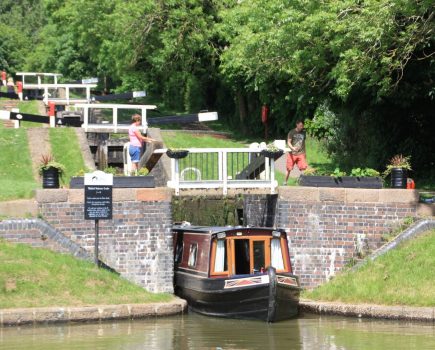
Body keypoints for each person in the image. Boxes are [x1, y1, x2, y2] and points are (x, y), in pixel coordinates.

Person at [284, 120, 308, 185]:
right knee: (289, 168)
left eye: (302, 126)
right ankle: (285, 182)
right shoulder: (292, 132)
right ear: (296, 125)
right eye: (300, 126)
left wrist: (305, 153)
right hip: (292, 154)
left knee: (304, 168)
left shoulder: (303, 133)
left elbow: (303, 143)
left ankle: (304, 182)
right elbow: (288, 142)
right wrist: (292, 148)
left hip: (301, 153)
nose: (301, 127)